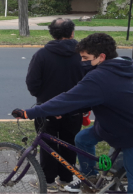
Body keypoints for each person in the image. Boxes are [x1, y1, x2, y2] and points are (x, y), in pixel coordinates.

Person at [12, 33, 133, 194]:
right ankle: (91, 180)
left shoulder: (100, 77)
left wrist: (30, 113)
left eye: (85, 57)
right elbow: (97, 98)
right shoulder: (121, 67)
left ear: (101, 57)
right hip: (111, 126)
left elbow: (67, 99)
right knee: (82, 139)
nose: (82, 62)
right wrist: (67, 110)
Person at [25, 18, 86, 192]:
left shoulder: (42, 55)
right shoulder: (83, 55)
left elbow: (32, 84)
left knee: (47, 145)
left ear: (52, 33)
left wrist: (44, 97)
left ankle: (48, 181)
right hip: (74, 109)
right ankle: (66, 179)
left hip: (47, 108)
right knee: (70, 143)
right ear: (72, 33)